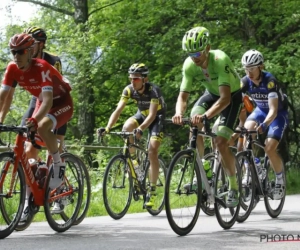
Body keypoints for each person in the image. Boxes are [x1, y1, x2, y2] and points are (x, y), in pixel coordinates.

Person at [0, 33, 73, 215]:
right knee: (27, 148)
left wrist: (35, 120)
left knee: (41, 126)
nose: (16, 56)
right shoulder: (12, 68)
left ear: (31, 51)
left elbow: (48, 101)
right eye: (13, 52)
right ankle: (30, 197)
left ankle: (57, 164)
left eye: (21, 52)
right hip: (42, 101)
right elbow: (3, 97)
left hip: (61, 102)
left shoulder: (42, 67)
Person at [172, 26, 243, 207]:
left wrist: (206, 116)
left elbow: (225, 98)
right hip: (211, 94)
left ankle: (234, 187)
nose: (194, 58)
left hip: (232, 97)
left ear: (207, 48)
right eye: (190, 54)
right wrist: (179, 113)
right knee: (193, 124)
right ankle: (204, 171)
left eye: (197, 53)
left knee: (220, 142)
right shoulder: (189, 64)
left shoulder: (220, 60)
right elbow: (183, 96)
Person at [98, 63, 166, 208]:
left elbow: (153, 114)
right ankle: (135, 162)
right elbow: (118, 110)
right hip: (141, 114)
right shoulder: (129, 90)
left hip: (156, 118)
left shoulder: (154, 90)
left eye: (135, 79)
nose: (132, 82)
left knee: (152, 151)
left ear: (144, 79)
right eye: (131, 79)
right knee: (126, 127)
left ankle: (152, 192)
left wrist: (141, 129)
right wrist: (108, 128)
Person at [240, 49, 288, 200]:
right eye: (246, 69)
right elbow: (235, 101)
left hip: (278, 114)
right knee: (246, 133)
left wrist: (265, 125)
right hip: (260, 110)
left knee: (269, 147)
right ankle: (255, 166)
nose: (249, 72)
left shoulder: (270, 81)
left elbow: (273, 110)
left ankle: (280, 180)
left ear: (261, 66)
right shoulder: (245, 81)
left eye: (252, 68)